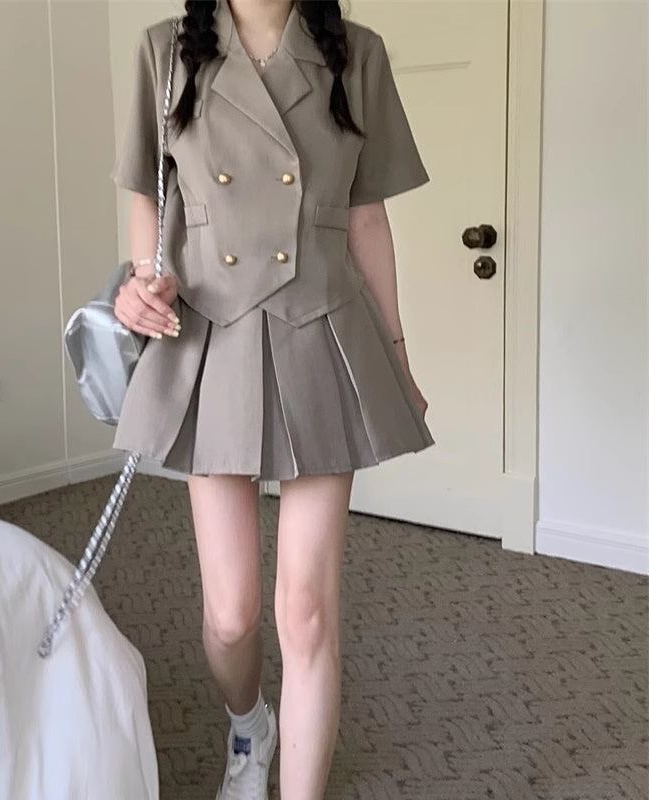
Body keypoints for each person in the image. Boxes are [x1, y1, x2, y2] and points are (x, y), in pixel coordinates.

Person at [111, 1, 434, 797]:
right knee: (231, 615)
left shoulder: (356, 52)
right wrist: (140, 282)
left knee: (308, 611)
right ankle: (250, 724)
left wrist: (397, 355)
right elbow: (146, 192)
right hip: (209, 333)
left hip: (323, 327)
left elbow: (367, 218)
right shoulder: (164, 50)